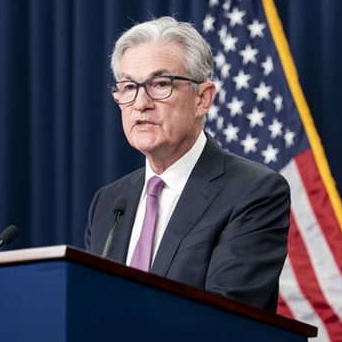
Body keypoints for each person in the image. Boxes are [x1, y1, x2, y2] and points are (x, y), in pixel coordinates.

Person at [84, 16, 290, 312]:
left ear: (203, 99)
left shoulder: (254, 191)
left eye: (160, 84)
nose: (140, 102)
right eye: (129, 87)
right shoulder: (108, 202)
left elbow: (225, 315)